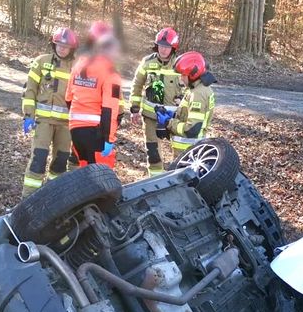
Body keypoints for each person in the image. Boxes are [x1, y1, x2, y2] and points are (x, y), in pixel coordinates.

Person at [21, 26, 78, 197]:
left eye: (65, 46)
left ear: (71, 48)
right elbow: (30, 89)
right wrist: (28, 115)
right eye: (58, 44)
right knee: (38, 159)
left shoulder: (78, 67)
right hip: (43, 121)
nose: (61, 48)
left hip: (66, 124)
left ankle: (53, 197)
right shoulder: (41, 61)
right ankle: (28, 198)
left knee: (60, 162)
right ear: (53, 45)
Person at [65, 21, 123, 168]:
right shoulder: (110, 72)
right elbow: (109, 110)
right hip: (97, 133)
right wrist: (109, 139)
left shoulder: (79, 66)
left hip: (76, 131)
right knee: (103, 179)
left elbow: (68, 98)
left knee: (86, 178)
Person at [129, 27, 183, 175]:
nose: (163, 50)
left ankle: (177, 180)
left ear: (173, 48)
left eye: (167, 47)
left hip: (175, 117)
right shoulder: (147, 62)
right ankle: (155, 180)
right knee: (153, 153)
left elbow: (190, 88)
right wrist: (134, 108)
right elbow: (137, 84)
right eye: (161, 46)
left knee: (180, 153)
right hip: (151, 115)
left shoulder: (180, 64)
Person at [167, 51, 216, 158]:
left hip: (188, 150)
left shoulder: (198, 94)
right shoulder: (196, 89)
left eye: (183, 75)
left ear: (193, 75)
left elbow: (192, 129)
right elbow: (188, 113)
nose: (181, 78)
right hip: (188, 149)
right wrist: (173, 115)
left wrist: (170, 123)